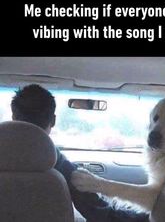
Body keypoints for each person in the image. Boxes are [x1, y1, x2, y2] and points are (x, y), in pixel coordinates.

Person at [10, 84, 149, 222]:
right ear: (53, 120)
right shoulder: (61, 167)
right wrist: (152, 216)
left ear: (13, 117)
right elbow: (101, 215)